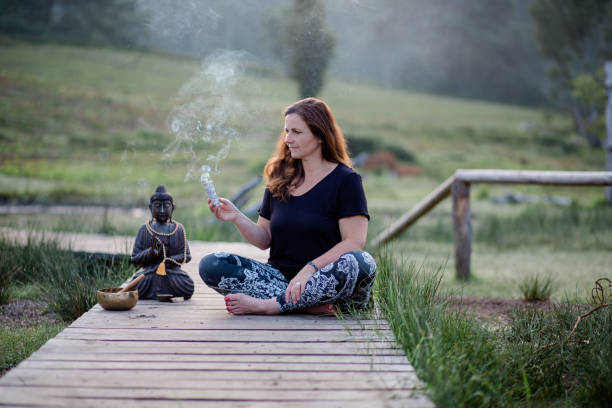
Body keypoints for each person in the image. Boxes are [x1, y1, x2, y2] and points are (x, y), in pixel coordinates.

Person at [199, 97, 376, 315]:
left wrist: (309, 270)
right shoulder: (280, 178)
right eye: (286, 131)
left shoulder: (346, 180)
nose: (288, 139)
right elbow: (264, 239)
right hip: (279, 278)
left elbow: (354, 242)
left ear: (320, 135)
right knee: (211, 264)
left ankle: (269, 305)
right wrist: (236, 216)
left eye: (297, 132)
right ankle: (310, 306)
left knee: (361, 262)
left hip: (323, 277)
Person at [129, 185, 194, 300]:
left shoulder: (178, 229)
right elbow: (134, 258)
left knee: (188, 285)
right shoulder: (144, 229)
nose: (162, 210)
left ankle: (159, 292)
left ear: (172, 208)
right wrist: (151, 253)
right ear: (150, 208)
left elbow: (186, 256)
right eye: (158, 206)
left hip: (172, 273)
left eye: (166, 206)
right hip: (150, 273)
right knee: (135, 284)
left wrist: (167, 261)